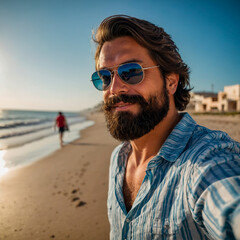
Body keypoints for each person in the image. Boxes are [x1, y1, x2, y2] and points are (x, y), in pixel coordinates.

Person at [91, 15, 240, 240]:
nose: (114, 88)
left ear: (171, 81)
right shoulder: (118, 158)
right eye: (104, 76)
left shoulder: (207, 160)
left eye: (131, 72)